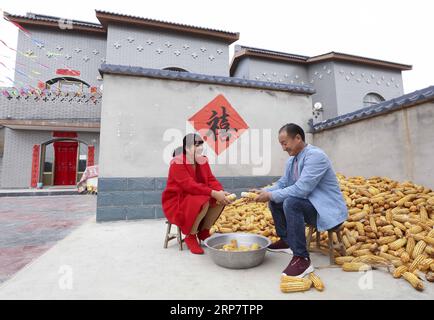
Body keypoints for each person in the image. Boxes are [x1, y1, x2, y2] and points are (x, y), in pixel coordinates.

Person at [252, 123, 348, 277]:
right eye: (281, 144)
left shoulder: (316, 156)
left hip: (326, 211)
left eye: (285, 143)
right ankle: (287, 240)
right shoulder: (292, 160)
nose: (283, 148)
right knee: (277, 201)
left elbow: (302, 189)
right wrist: (264, 191)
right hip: (311, 206)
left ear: (297, 138)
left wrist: (270, 195)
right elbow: (283, 183)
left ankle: (302, 258)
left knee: (291, 202)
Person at [162, 133, 233, 254]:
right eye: (196, 145)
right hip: (178, 200)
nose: (200, 148)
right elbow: (189, 185)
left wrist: (219, 191)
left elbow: (211, 179)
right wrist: (213, 193)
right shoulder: (177, 163)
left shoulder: (202, 161)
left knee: (220, 200)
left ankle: (204, 231)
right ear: (187, 148)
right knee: (203, 200)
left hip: (196, 194)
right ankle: (190, 235)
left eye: (201, 145)